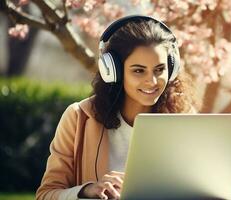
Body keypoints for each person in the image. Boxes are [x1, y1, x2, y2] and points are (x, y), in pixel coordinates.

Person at [36, 15, 200, 200]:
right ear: (113, 71)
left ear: (172, 69)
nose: (152, 81)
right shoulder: (78, 118)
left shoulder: (184, 119)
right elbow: (46, 194)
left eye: (159, 69)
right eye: (138, 70)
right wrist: (87, 191)